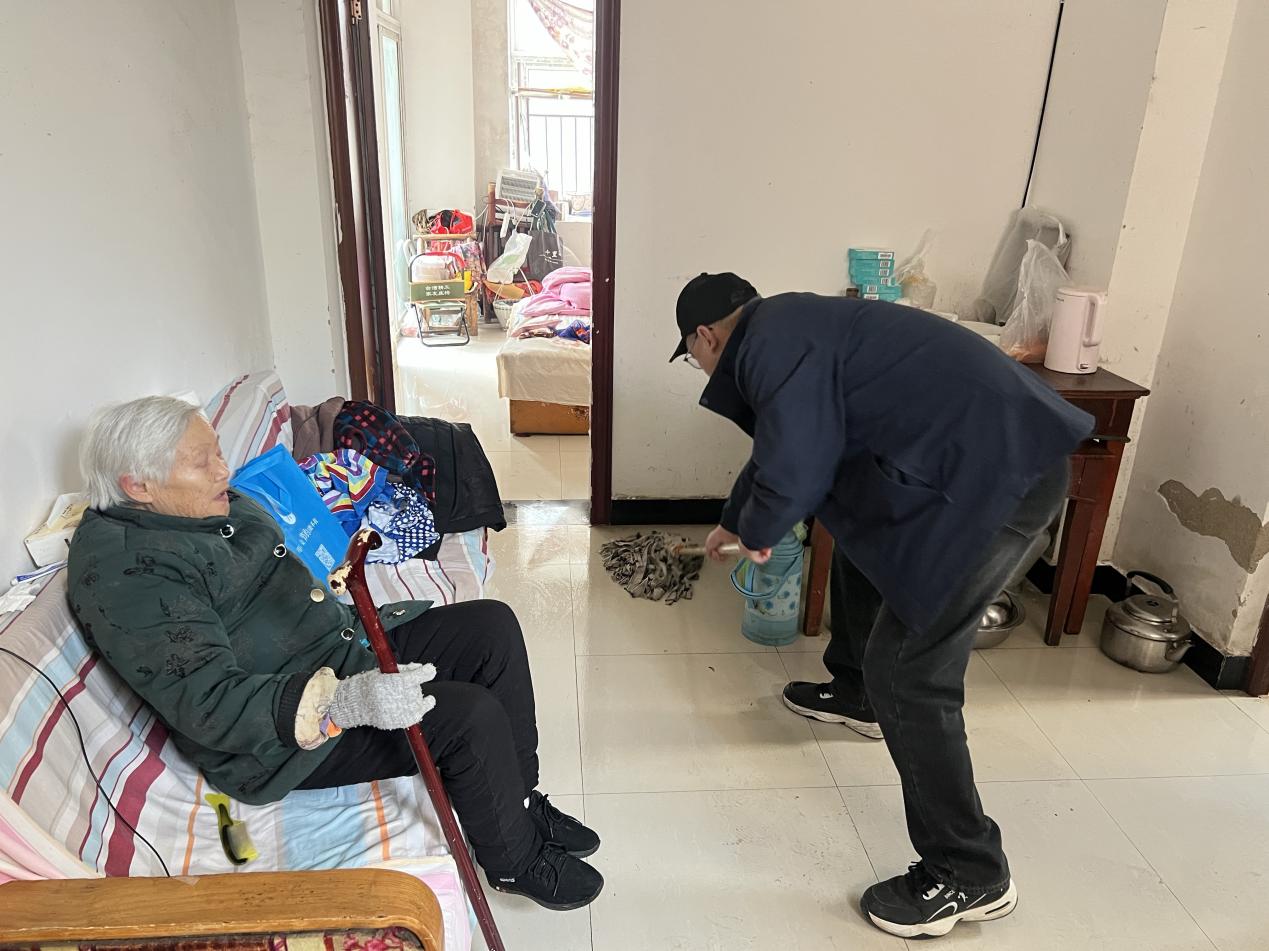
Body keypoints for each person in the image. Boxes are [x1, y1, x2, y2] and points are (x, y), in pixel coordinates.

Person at [670, 273, 1093, 939]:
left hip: (999, 481)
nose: (697, 364)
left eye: (690, 354)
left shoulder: (770, 345)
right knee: (861, 543)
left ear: (705, 336)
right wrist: (735, 519)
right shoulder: (788, 328)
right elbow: (780, 445)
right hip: (973, 462)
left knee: (909, 671)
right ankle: (857, 693)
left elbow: (798, 459)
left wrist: (760, 528)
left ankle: (970, 868)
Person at [67, 396, 602, 911]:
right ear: (138, 485)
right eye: (200, 462)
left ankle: (521, 803)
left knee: (490, 626)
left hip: (337, 648)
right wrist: (346, 703)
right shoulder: (130, 576)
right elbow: (211, 704)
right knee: (467, 716)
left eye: (218, 452)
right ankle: (512, 859)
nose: (222, 470)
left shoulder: (194, 510)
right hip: (283, 738)